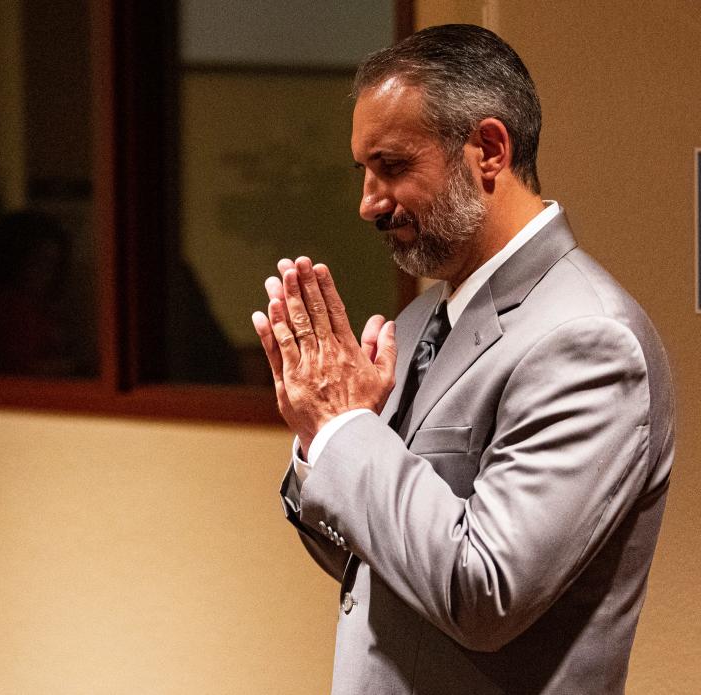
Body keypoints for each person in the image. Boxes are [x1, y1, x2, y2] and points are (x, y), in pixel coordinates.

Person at [251, 24, 674, 694]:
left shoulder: (588, 339)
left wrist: (343, 429)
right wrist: (317, 444)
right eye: (362, 170)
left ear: (488, 149)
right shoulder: (421, 316)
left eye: (391, 166)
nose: (368, 202)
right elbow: (371, 560)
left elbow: (483, 592)